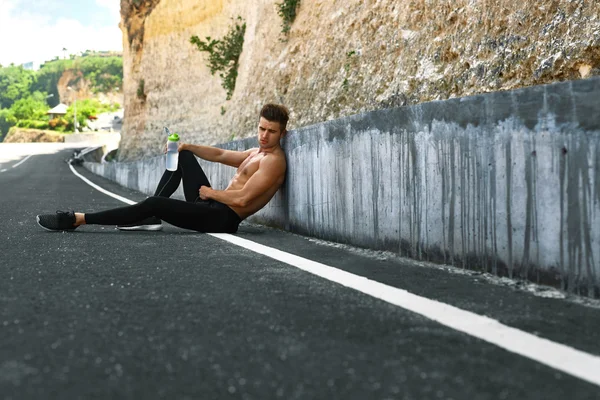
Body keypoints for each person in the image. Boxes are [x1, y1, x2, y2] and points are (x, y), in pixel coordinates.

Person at [36, 103, 289, 233]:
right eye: (261, 128)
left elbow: (244, 200)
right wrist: (186, 145)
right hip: (212, 205)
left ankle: (78, 219)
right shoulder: (256, 152)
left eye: (271, 131)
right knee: (184, 155)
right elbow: (221, 154)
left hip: (223, 218)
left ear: (282, 132)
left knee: (153, 203)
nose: (264, 135)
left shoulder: (273, 162)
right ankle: (149, 215)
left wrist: (212, 194)